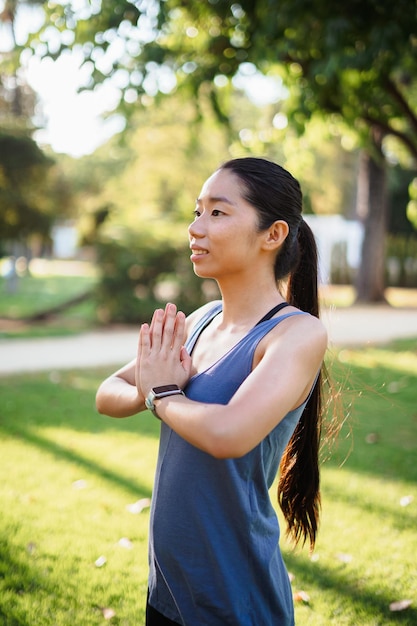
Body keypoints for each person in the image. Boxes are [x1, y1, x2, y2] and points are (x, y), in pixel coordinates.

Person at [96, 157, 331, 626]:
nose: (195, 228)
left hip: (234, 596)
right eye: (196, 211)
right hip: (167, 588)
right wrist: (155, 392)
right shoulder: (198, 320)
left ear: (273, 234)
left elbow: (229, 434)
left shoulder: (295, 334)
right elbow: (107, 393)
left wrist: (162, 394)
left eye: (217, 213)